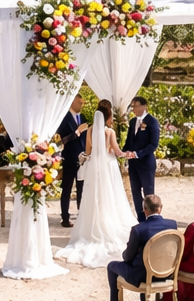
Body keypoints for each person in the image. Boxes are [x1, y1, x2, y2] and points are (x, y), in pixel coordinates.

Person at [58, 99, 136, 269]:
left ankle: (93, 227)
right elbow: (117, 152)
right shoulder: (110, 132)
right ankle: (108, 225)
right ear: (108, 117)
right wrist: (127, 154)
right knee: (110, 196)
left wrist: (83, 158)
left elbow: (87, 152)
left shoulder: (90, 130)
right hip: (108, 167)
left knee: (95, 197)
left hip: (94, 167)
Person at [107, 194, 178, 301]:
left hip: (144, 276)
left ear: (144, 210)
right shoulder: (173, 225)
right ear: (160, 208)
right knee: (144, 261)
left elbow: (128, 257)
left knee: (112, 266)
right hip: (167, 273)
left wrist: (126, 255)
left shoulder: (138, 229)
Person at [122, 96, 160, 219]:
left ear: (144, 106)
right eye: (132, 106)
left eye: (136, 106)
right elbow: (129, 141)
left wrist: (138, 154)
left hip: (146, 162)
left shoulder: (152, 121)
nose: (134, 109)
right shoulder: (133, 122)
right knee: (135, 191)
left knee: (148, 192)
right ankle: (140, 217)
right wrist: (125, 151)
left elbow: (153, 144)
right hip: (133, 164)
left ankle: (151, 217)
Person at [56, 95, 88, 228]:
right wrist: (77, 132)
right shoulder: (64, 118)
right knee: (67, 188)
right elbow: (62, 140)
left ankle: (82, 216)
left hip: (83, 159)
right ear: (73, 101)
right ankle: (65, 217)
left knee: (82, 188)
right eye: (79, 102)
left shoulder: (84, 118)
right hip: (69, 158)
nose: (81, 105)